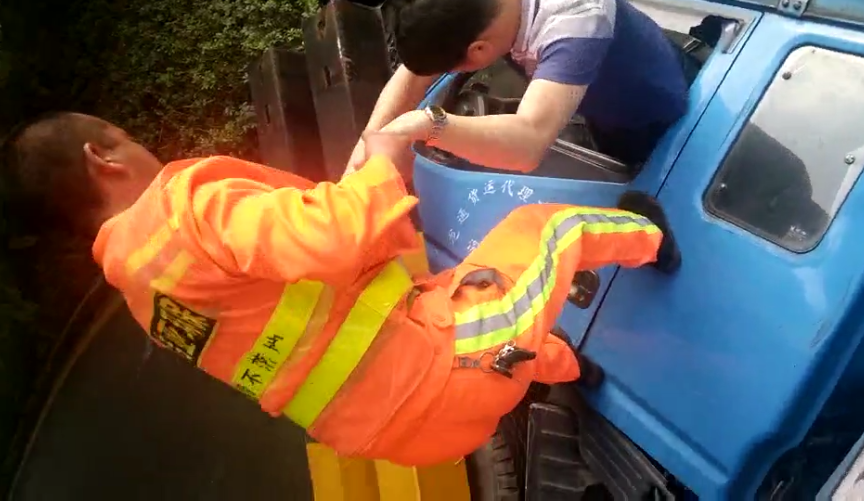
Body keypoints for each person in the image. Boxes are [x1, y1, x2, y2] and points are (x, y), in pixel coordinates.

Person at [1, 112, 680, 466]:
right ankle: (648, 234)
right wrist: (381, 163)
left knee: (460, 296)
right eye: (122, 136)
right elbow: (333, 237)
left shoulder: (145, 297)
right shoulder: (184, 209)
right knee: (544, 229)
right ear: (102, 155)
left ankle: (567, 366)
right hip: (450, 376)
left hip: (401, 435)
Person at [345, 0, 689, 175]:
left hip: (650, 111)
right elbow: (413, 73)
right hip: (596, 88)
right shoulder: (479, 12)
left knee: (646, 172)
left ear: (478, 52)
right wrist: (368, 143)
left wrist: (426, 124)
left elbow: (528, 142)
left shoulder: (576, 22)